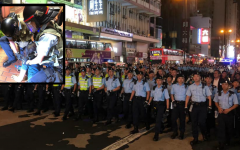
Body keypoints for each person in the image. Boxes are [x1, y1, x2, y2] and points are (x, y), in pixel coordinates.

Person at [23, 6, 63, 82]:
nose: (30, 26)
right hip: (54, 61)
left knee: (31, 81)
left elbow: (39, 59)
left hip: (57, 69)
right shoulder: (48, 24)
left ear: (38, 19)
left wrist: (28, 62)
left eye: (30, 22)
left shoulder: (47, 36)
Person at [185, 72, 212, 145]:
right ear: (193, 78)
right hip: (194, 106)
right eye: (195, 76)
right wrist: (185, 106)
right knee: (194, 123)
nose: (196, 77)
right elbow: (188, 97)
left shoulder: (205, 86)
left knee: (202, 122)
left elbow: (209, 97)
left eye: (197, 76)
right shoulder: (190, 87)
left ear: (200, 77)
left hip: (203, 106)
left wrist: (209, 106)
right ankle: (195, 138)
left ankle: (204, 135)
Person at [214, 80, 238, 150]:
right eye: (223, 84)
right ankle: (221, 144)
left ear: (228, 85)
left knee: (229, 128)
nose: (224, 86)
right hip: (221, 113)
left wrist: (229, 109)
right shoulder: (218, 93)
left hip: (229, 113)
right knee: (221, 129)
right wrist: (218, 107)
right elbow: (215, 101)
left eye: (225, 84)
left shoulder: (232, 94)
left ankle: (228, 141)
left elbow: (236, 104)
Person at [148, 76, 170, 141]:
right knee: (156, 118)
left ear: (162, 81)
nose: (158, 81)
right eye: (157, 80)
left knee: (158, 120)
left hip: (161, 105)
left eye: (160, 80)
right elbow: (151, 97)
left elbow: (167, 99)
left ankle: (156, 135)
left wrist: (167, 108)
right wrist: (148, 103)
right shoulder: (154, 88)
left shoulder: (164, 89)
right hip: (154, 104)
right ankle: (161, 127)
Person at [170, 74, 188, 139]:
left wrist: (186, 105)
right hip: (176, 104)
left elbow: (188, 96)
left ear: (184, 79)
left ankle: (181, 133)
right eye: (179, 78)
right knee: (173, 119)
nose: (181, 79)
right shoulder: (174, 86)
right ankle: (175, 132)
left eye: (182, 78)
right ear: (177, 79)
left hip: (183, 104)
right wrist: (173, 101)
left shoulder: (186, 86)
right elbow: (172, 94)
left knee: (182, 120)